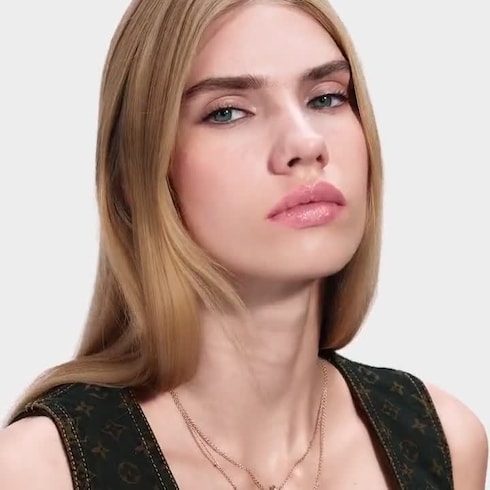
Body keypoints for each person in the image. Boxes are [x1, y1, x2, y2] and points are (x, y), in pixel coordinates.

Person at [0, 0, 487, 488]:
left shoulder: (443, 440)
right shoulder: (39, 470)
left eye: (325, 99)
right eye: (228, 112)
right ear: (138, 172)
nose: (306, 144)